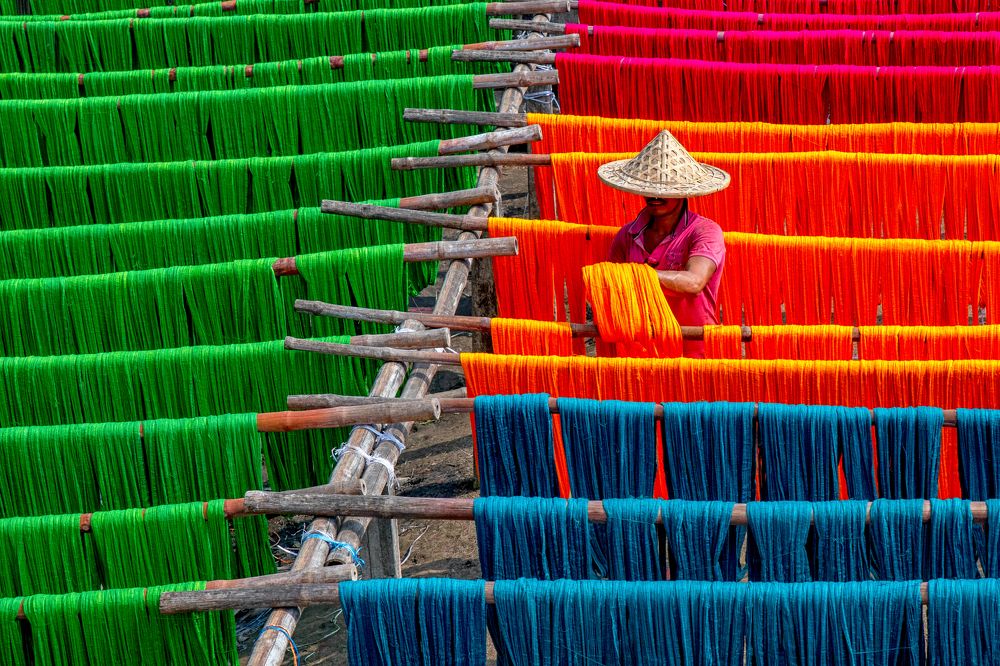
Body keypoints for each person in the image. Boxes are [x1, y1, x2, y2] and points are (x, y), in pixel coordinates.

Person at [599, 130, 731, 358]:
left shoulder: (705, 232)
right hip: (640, 350)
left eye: (665, 190)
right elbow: (610, 288)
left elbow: (694, 282)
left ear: (683, 192)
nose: (655, 195)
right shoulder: (626, 236)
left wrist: (638, 275)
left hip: (696, 350)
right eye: (648, 188)